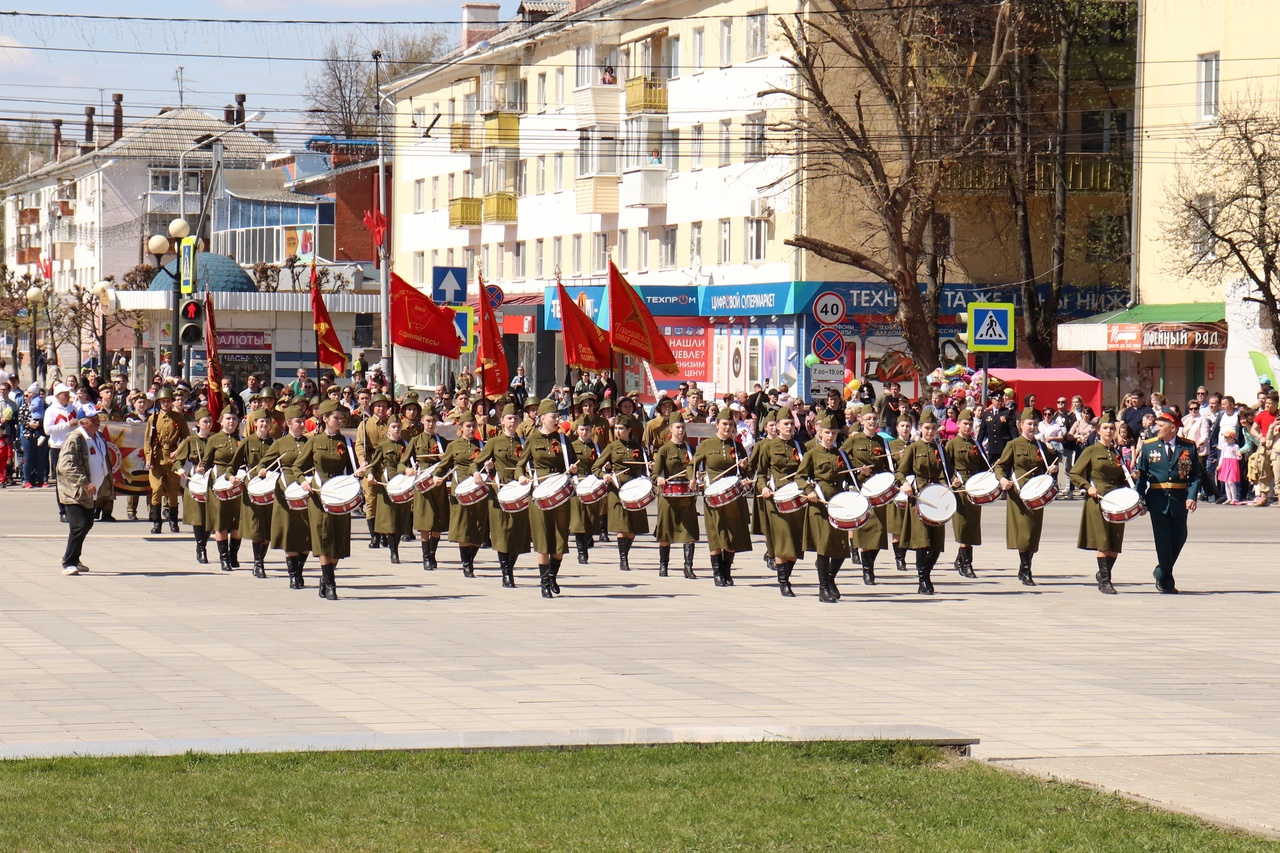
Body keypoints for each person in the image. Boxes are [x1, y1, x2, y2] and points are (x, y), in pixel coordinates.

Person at [292, 399, 370, 599]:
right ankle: (331, 585)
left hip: (341, 493)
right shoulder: (314, 441)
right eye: (335, 417)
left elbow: (352, 469)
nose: (340, 420)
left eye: (340, 417)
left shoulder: (346, 443)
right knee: (324, 537)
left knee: (338, 539)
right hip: (319, 495)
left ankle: (325, 578)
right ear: (325, 419)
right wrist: (303, 481)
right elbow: (297, 467)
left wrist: (360, 473)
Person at [515, 399, 578, 597]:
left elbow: (575, 462)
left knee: (560, 540)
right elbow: (520, 465)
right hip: (540, 491)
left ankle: (552, 575)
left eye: (558, 416)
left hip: (560, 492)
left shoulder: (563, 439)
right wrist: (522, 477)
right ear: (542, 418)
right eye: (553, 416)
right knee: (542, 539)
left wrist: (574, 469)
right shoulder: (532, 440)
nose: (557, 419)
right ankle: (544, 583)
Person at [994, 407, 1060, 587]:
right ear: (1021, 425)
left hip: (1036, 493)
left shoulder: (1041, 445)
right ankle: (1025, 570)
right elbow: (1000, 467)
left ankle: (1025, 567)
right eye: (1029, 424)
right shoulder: (1013, 445)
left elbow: (1050, 465)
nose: (1032, 427)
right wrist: (1003, 480)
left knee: (1032, 532)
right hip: (1018, 493)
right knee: (1023, 533)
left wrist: (1054, 470)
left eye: (1035, 424)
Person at [1136, 411, 1201, 594]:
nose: (1157, 429)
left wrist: (1191, 496)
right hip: (1157, 498)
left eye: (1161, 426)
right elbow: (1142, 476)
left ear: (1172, 428)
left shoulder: (1188, 447)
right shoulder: (1149, 446)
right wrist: (1140, 499)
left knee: (1180, 536)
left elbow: (1195, 475)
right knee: (1163, 540)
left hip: (1180, 498)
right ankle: (1167, 581)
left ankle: (1161, 570)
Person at [796, 414, 853, 602]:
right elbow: (800, 477)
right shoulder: (812, 454)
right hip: (819, 503)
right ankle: (823, 589)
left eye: (834, 433)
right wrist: (809, 490)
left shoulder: (841, 454)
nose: (830, 436)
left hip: (838, 502)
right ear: (819, 433)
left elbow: (851, 478)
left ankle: (829, 578)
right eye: (827, 432)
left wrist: (862, 474)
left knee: (842, 547)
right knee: (824, 545)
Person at [693, 410, 754, 586]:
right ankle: (717, 573)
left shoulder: (738, 446)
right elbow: (693, 465)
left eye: (730, 425)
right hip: (714, 494)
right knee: (715, 533)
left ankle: (727, 571)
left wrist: (744, 468)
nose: (727, 428)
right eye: (724, 424)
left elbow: (747, 472)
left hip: (733, 495)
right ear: (717, 425)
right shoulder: (706, 445)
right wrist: (693, 478)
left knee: (731, 533)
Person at [1070, 412, 1128, 595]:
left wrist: (1130, 478)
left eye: (1112, 428)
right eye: (1105, 428)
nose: (1109, 431)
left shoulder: (1116, 453)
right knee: (1103, 542)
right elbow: (1074, 473)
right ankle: (1105, 582)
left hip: (1116, 499)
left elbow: (1120, 477)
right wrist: (1087, 487)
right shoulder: (1091, 451)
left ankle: (1102, 574)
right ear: (1098, 431)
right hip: (1098, 499)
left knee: (1115, 545)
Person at [476, 403, 532, 582]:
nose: (513, 421)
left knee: (518, 532)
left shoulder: (524, 442)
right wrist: (477, 473)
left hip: (520, 491)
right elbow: (476, 463)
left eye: (515, 418)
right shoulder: (494, 442)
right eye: (509, 418)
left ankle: (511, 565)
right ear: (501, 421)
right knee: (502, 532)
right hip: (499, 491)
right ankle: (506, 571)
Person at [896, 410, 950, 594]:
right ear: (920, 428)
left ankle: (926, 572)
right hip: (919, 499)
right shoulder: (913, 448)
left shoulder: (940, 450)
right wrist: (904, 484)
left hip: (936, 499)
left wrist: (952, 483)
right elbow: (900, 473)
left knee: (936, 545)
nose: (930, 432)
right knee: (922, 543)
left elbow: (947, 474)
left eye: (934, 428)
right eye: (927, 428)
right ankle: (922, 580)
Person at [259, 405, 313, 589]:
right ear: (288, 424)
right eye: (298, 421)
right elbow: (265, 462)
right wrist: (263, 470)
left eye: (302, 421)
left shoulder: (309, 442)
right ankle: (293, 575)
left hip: (306, 490)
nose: (302, 424)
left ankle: (299, 569)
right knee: (290, 533)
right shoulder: (280, 444)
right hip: (286, 490)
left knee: (307, 534)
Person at [754, 407, 806, 596]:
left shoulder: (800, 447)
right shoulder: (768, 447)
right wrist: (764, 488)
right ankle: (784, 582)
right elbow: (760, 473)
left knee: (795, 544)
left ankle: (786, 576)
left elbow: (806, 471)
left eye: (791, 423)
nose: (789, 426)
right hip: (776, 500)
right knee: (783, 541)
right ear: (776, 426)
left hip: (796, 499)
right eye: (785, 423)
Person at [56, 404, 112, 575]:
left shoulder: (98, 437)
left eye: (98, 418)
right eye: (94, 419)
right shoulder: (75, 438)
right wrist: (85, 482)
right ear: (83, 422)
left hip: (91, 493)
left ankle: (72, 557)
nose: (97, 422)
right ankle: (69, 563)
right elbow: (65, 466)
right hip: (74, 491)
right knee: (79, 525)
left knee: (87, 524)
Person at [434, 411, 489, 577]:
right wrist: (438, 476)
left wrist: (490, 466)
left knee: (479, 529)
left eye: (473, 426)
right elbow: (443, 466)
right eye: (468, 426)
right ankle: (467, 565)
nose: (471, 429)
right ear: (461, 428)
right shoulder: (453, 446)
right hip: (460, 489)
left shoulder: (482, 446)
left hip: (479, 489)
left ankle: (470, 558)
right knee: (464, 527)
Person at [594, 414, 652, 571]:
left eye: (621, 428)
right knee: (622, 525)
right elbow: (596, 467)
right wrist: (604, 475)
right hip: (617, 488)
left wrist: (649, 469)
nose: (618, 431)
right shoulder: (612, 447)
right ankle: (623, 559)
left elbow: (644, 467)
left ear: (629, 430)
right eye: (616, 428)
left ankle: (625, 553)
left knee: (633, 528)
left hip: (634, 488)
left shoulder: (637, 447)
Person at [651, 412, 700, 580]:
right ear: (670, 429)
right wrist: (659, 479)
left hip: (686, 495)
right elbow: (655, 474)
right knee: (666, 531)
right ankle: (663, 565)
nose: (681, 430)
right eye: (677, 427)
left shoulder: (690, 449)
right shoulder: (664, 450)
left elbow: (694, 469)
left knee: (689, 531)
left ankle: (688, 567)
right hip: (668, 495)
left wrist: (694, 478)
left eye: (683, 427)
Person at [197, 409, 246, 572]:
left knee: (238, 521)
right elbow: (206, 461)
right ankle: (224, 558)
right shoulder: (214, 439)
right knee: (221, 521)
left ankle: (234, 554)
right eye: (228, 419)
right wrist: (201, 469)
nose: (231, 422)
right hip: (219, 481)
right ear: (221, 421)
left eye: (234, 419)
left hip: (237, 482)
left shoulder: (242, 440)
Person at [404, 404, 450, 571]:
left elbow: (451, 464)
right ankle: (425, 557)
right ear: (422, 421)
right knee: (425, 521)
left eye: (433, 421)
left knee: (437, 521)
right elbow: (403, 462)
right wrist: (407, 470)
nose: (431, 424)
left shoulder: (442, 442)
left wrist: (445, 459)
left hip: (437, 483)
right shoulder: (416, 441)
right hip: (422, 483)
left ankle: (432, 554)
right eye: (428, 421)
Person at [143, 387, 190, 535]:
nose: (165, 404)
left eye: (168, 401)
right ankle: (157, 522)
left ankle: (173, 521)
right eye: (163, 401)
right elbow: (147, 441)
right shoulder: (153, 418)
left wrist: (179, 451)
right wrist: (148, 457)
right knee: (156, 490)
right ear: (159, 402)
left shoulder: (179, 418)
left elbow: (186, 438)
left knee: (173, 491)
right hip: (157, 458)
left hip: (172, 459)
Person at [944, 409, 984, 578]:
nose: (968, 426)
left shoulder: (975, 444)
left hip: (974, 487)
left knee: (972, 524)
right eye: (965, 423)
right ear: (958, 424)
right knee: (962, 525)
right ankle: (966, 564)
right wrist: (953, 479)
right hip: (960, 488)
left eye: (970, 424)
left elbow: (982, 465)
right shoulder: (952, 444)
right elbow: (946, 466)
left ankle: (960, 560)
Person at [174, 408, 215, 564]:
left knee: (210, 518)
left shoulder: (215, 439)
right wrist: (179, 470)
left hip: (211, 482)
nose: (208, 424)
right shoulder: (190, 441)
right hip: (196, 482)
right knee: (198, 517)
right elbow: (178, 460)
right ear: (198, 423)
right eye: (205, 422)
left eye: (210, 421)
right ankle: (201, 547)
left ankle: (203, 542)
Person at [370, 418, 412, 565]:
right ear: (388, 429)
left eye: (398, 427)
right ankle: (394, 552)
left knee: (401, 520)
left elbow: (412, 462)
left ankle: (396, 545)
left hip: (402, 484)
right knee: (390, 521)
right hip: (387, 485)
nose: (396, 430)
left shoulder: (406, 445)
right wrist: (370, 475)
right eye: (393, 427)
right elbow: (373, 465)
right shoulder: (383, 446)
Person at [240, 411, 276, 578]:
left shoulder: (275, 443)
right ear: (255, 423)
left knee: (268, 528)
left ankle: (261, 559)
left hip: (270, 488)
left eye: (267, 421)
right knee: (257, 527)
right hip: (253, 487)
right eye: (261, 421)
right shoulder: (247, 442)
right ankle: (258, 563)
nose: (264, 425)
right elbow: (236, 463)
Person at [355, 393, 393, 547]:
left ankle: (384, 533)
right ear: (372, 407)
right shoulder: (365, 424)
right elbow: (360, 445)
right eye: (378, 406)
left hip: (387, 466)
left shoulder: (392, 423)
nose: (381, 409)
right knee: (371, 501)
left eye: (384, 406)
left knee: (386, 501)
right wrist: (362, 461)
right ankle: (374, 535)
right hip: (371, 465)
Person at [44, 382, 78, 521]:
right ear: (58, 396)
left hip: (72, 447)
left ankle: (73, 508)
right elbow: (48, 430)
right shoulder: (51, 411)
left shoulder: (72, 409)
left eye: (68, 394)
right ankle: (62, 510)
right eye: (65, 394)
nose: (68, 396)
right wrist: (66, 425)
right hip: (57, 447)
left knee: (73, 479)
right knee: (61, 480)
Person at [885, 414, 915, 572]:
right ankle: (899, 559)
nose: (905, 429)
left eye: (908, 426)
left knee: (910, 525)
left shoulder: (915, 445)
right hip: (898, 488)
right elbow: (890, 468)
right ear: (897, 428)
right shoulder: (891, 446)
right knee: (897, 527)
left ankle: (907, 554)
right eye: (902, 426)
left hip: (912, 487)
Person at [1218, 429, 1243, 504]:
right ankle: (1229, 498)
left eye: (1227, 437)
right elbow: (1222, 456)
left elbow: (1238, 456)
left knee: (1230, 481)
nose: (1225, 439)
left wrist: (1239, 456)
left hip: (1232, 463)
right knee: (1226, 482)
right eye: (1225, 437)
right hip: (1225, 462)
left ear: (1232, 438)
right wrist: (1220, 465)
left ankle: (1234, 497)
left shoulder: (1236, 446)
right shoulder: (1224, 446)